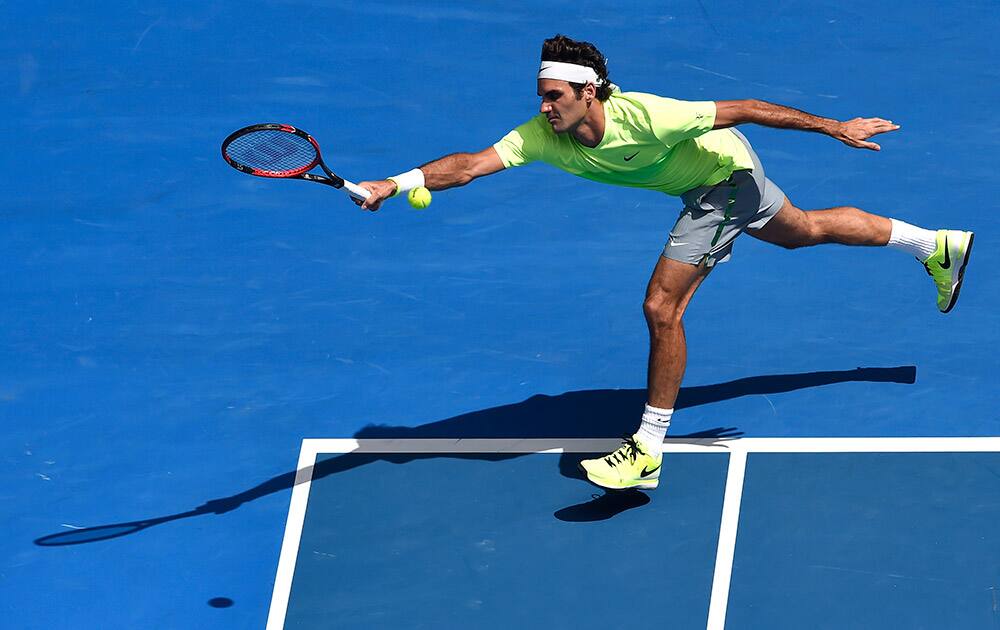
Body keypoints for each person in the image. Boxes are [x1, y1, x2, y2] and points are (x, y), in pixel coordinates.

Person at [356, 34, 974, 492]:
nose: (545, 108)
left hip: (724, 179)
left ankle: (647, 446)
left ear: (589, 92)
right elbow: (466, 165)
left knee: (661, 306)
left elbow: (749, 107)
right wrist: (395, 180)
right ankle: (932, 243)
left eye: (554, 96)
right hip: (712, 180)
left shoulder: (649, 115)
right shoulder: (542, 136)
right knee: (803, 231)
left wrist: (834, 126)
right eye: (541, 97)